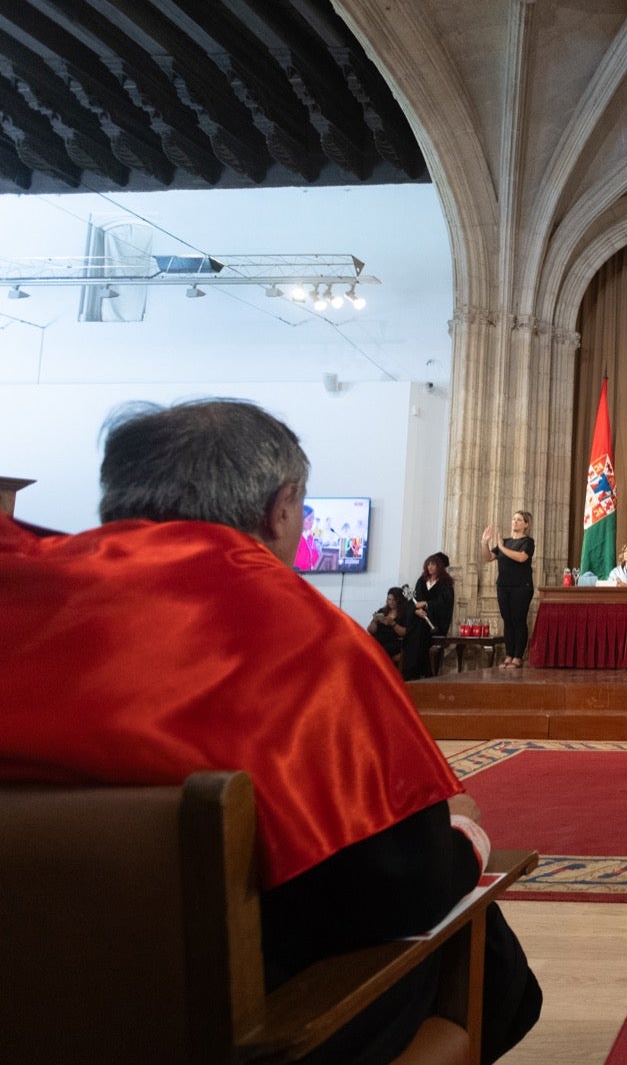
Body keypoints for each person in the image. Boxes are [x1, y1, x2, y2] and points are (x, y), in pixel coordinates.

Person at [0, 398, 541, 1065]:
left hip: (30, 1006)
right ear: (283, 508)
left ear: (117, 497)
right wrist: (464, 833)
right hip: (235, 1026)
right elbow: (397, 892)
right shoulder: (299, 634)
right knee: (487, 950)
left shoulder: (20, 585)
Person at [482, 511, 534, 668]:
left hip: (521, 587)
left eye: (519, 520)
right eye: (513, 519)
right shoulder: (505, 542)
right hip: (503, 586)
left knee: (519, 620)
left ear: (526, 524)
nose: (515, 522)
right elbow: (488, 558)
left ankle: (518, 656)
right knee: (508, 621)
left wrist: (502, 548)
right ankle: (509, 654)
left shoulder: (528, 542)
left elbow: (521, 557)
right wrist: (484, 542)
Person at [402, 551, 454, 679]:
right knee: (413, 646)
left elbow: (445, 603)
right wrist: (415, 610)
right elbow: (414, 600)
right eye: (428, 564)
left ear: (440, 566)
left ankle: (429, 676)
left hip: (433, 624)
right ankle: (411, 676)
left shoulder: (445, 583)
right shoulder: (421, 581)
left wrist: (427, 604)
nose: (430, 567)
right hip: (418, 622)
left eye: (433, 564)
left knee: (428, 651)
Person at [367, 586, 412, 664]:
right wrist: (375, 621)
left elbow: (404, 632)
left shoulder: (404, 613)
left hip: (394, 641)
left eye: (394, 600)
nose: (391, 602)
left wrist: (392, 623)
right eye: (389, 599)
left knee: (381, 650)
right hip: (379, 638)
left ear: (399, 600)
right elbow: (371, 630)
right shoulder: (382, 611)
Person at [294, 502, 320, 571]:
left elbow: (315, 557)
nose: (312, 522)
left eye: (313, 519)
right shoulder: (295, 537)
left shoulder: (310, 537)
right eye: (309, 519)